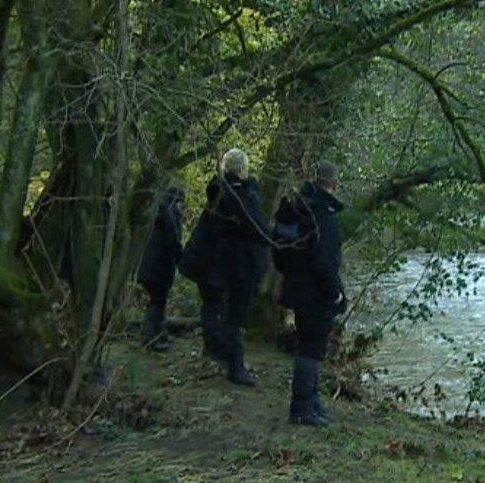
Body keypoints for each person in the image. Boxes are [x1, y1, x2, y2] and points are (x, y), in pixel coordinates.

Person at [275, 161, 346, 427]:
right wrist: (335, 294)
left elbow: (278, 248)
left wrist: (291, 275)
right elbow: (324, 263)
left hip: (296, 288)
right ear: (334, 184)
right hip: (315, 293)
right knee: (311, 348)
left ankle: (311, 402)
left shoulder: (296, 207)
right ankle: (302, 408)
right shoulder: (323, 215)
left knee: (308, 344)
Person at [193, 148, 269, 386]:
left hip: (223, 264)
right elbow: (259, 229)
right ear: (242, 170)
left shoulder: (218, 194)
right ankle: (235, 367)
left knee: (223, 311)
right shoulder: (240, 196)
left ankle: (223, 354)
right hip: (240, 266)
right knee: (235, 316)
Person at [137, 186, 186, 352]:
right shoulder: (169, 215)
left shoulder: (159, 212)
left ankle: (157, 334)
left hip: (149, 266)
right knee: (157, 302)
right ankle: (151, 338)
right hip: (159, 267)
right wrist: (184, 262)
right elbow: (173, 242)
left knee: (157, 301)